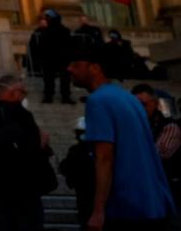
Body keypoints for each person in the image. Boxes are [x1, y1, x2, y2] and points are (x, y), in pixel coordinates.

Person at [69, 44, 176, 230]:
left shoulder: (98, 100)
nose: (69, 69)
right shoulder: (128, 98)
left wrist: (98, 211)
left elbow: (104, 158)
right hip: (152, 201)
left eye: (76, 64)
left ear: (95, 68)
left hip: (125, 204)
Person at [0, 75, 54, 231]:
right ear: (12, 92)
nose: (23, 95)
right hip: (21, 193)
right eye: (22, 92)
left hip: (0, 192)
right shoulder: (21, 116)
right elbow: (31, 149)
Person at [134, 84, 181, 206]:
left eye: (144, 104)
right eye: (136, 105)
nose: (140, 109)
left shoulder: (169, 126)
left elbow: (158, 156)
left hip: (166, 189)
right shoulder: (138, 125)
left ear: (155, 104)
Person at [59, 117, 96, 229]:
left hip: (86, 190)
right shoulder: (80, 150)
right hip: (85, 190)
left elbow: (65, 168)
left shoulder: (78, 150)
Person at [38, 9, 74, 104]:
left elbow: (69, 45)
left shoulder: (52, 31)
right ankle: (54, 97)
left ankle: (57, 97)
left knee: (60, 79)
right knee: (51, 79)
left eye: (48, 18)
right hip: (54, 59)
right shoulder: (49, 31)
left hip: (59, 59)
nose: (47, 19)